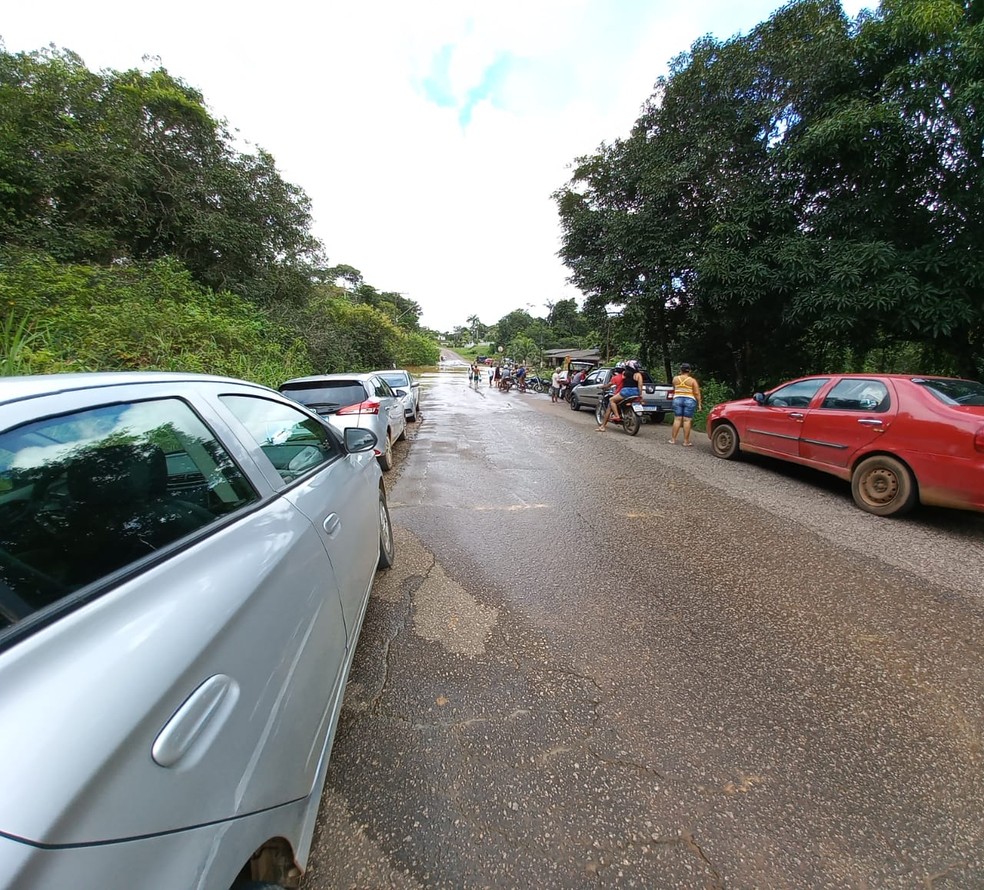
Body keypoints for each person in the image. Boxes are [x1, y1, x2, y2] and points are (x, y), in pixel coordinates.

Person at [597, 360, 643, 431]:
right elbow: (640, 386)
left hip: (625, 392)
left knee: (611, 400)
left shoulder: (625, 373)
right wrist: (640, 395)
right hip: (635, 392)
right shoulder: (638, 375)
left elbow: (619, 380)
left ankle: (616, 415)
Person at [669, 362, 702, 446]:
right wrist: (699, 404)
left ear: (680, 370)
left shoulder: (675, 379)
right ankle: (686, 441)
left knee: (677, 419)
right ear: (689, 371)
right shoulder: (692, 381)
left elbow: (674, 388)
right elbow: (697, 393)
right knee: (687, 420)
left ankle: (673, 440)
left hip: (677, 399)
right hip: (689, 400)